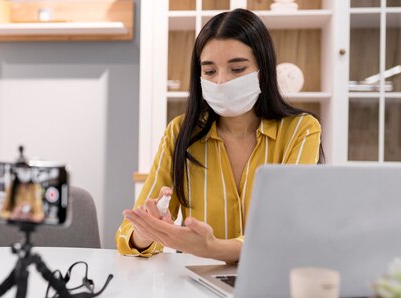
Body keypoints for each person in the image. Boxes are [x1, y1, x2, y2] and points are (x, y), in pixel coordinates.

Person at [115, 9, 322, 263]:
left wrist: (212, 248)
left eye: (237, 68)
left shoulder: (300, 130)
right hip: (198, 288)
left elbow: (283, 232)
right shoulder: (180, 133)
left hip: (274, 278)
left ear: (263, 70)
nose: (222, 82)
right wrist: (148, 233)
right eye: (210, 72)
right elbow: (128, 235)